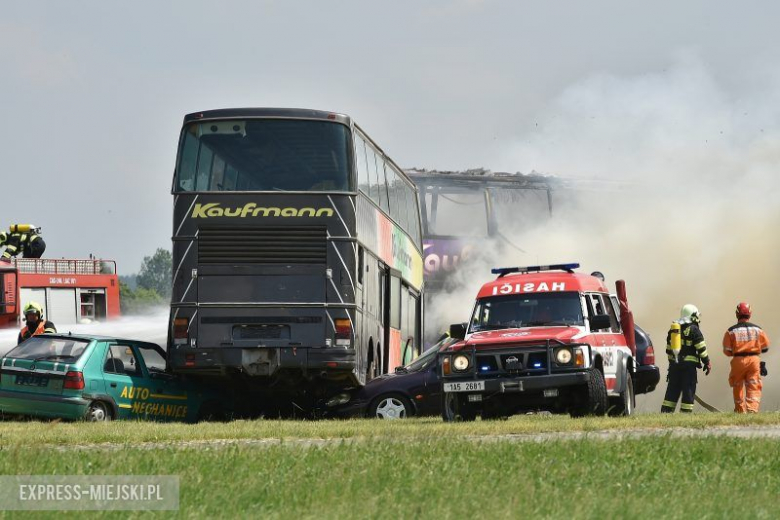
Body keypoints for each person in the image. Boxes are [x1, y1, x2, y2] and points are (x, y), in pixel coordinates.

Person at [661, 304, 712, 413]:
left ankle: (665, 413)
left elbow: (668, 349)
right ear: (693, 316)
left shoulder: (674, 330)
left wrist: (672, 363)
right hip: (688, 368)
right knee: (688, 390)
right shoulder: (694, 329)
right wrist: (707, 362)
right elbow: (701, 348)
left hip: (675, 366)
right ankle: (685, 414)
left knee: (672, 390)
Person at [722, 302, 770, 413]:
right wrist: (754, 350)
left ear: (736, 314)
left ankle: (740, 410)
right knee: (753, 384)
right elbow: (766, 347)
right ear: (750, 314)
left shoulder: (731, 331)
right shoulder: (758, 330)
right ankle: (752, 410)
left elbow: (727, 351)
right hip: (754, 360)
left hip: (738, 360)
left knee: (737, 385)